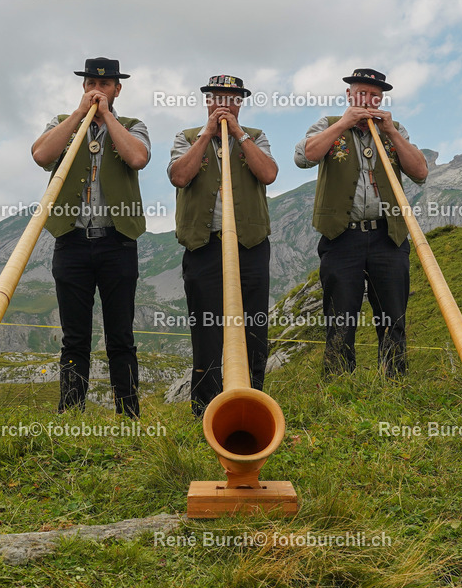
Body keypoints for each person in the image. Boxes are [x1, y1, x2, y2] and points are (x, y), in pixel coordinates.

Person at [31, 57, 150, 417]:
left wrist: (106, 116)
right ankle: (71, 414)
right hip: (72, 240)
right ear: (83, 87)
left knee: (120, 336)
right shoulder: (61, 123)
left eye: (105, 85)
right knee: (75, 337)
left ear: (117, 89)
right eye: (91, 84)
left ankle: (128, 415)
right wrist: (78, 115)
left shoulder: (133, 125)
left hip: (117, 241)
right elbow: (41, 155)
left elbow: (138, 158)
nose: (97, 90)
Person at [294, 68, 428, 377]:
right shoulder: (328, 124)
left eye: (375, 96)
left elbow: (420, 173)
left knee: (393, 316)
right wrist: (343, 123)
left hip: (388, 236)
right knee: (340, 316)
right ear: (349, 95)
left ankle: (395, 382)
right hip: (342, 237)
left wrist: (392, 132)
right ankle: (340, 384)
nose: (368, 100)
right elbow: (303, 158)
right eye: (361, 94)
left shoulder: (395, 130)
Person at [168, 75, 278, 417]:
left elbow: (269, 174)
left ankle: (254, 404)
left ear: (240, 103)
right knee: (206, 329)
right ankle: (206, 410)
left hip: (250, 245)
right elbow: (179, 176)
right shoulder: (187, 137)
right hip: (204, 246)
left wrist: (239, 134)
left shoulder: (256, 136)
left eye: (232, 99)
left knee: (254, 327)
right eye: (217, 98)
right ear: (207, 101)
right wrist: (206, 134)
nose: (224, 106)